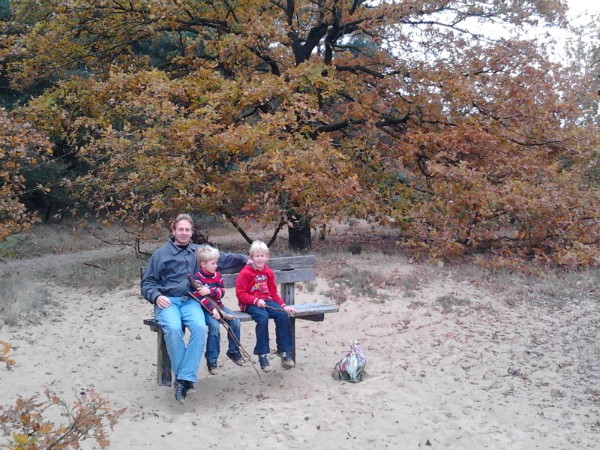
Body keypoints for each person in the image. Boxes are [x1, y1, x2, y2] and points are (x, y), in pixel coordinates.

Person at [141, 214, 247, 404]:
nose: (183, 233)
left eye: (187, 229)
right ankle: (186, 379)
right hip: (168, 301)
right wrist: (157, 296)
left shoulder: (198, 252)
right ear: (173, 231)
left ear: (191, 232)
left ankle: (182, 380)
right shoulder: (160, 254)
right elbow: (147, 283)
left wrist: (247, 259)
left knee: (199, 328)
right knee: (173, 329)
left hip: (191, 301)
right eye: (180, 229)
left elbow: (224, 258)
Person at [235, 240, 297, 372]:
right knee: (262, 317)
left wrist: (283, 305)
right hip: (249, 303)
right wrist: (255, 301)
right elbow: (240, 294)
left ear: (267, 257)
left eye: (262, 256)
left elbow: (273, 294)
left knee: (282, 315)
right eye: (256, 256)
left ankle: (284, 350)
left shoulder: (268, 273)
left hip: (266, 301)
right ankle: (262, 354)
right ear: (251, 258)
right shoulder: (245, 273)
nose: (259, 259)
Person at [190, 244, 243, 375]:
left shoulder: (217, 275)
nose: (216, 265)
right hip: (205, 309)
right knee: (214, 326)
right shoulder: (197, 278)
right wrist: (211, 310)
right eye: (213, 263)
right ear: (203, 264)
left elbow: (222, 292)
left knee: (235, 321)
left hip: (220, 306)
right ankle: (212, 360)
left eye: (216, 263)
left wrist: (210, 291)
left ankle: (234, 351)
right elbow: (199, 298)